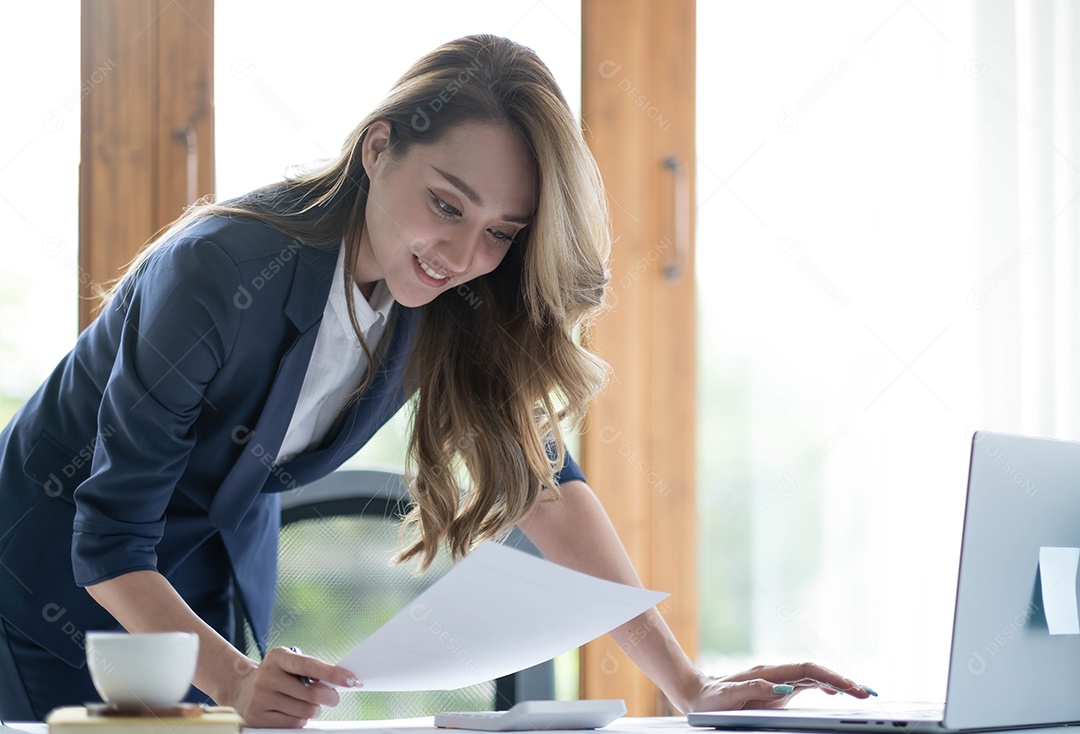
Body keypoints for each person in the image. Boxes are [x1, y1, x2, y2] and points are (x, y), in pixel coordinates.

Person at [0, 34, 871, 726]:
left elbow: (547, 488)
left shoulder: (452, 299)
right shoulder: (219, 271)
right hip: (39, 575)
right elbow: (109, 539)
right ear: (379, 147)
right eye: (448, 204)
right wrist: (230, 680)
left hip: (196, 591)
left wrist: (687, 684)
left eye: (501, 232)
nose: (461, 255)